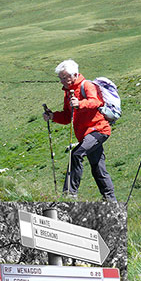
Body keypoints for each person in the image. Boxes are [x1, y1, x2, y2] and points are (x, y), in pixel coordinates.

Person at [42, 59, 117, 201]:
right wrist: (52, 116)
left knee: (76, 155)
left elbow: (96, 102)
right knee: (97, 167)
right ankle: (110, 200)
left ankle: (69, 195)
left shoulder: (86, 85)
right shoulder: (68, 93)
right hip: (85, 134)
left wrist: (79, 104)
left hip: (99, 130)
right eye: (60, 78)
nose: (62, 81)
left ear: (75, 75)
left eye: (65, 78)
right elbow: (66, 116)